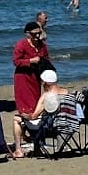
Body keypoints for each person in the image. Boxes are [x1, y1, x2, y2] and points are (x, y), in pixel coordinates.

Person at [11, 21, 52, 157]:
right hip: (22, 79)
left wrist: (47, 77)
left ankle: (36, 143)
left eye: (39, 33)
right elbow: (16, 61)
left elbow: (46, 60)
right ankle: (20, 146)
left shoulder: (42, 46)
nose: (37, 37)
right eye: (34, 34)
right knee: (24, 111)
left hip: (36, 79)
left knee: (36, 108)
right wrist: (30, 61)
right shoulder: (21, 45)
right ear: (28, 34)